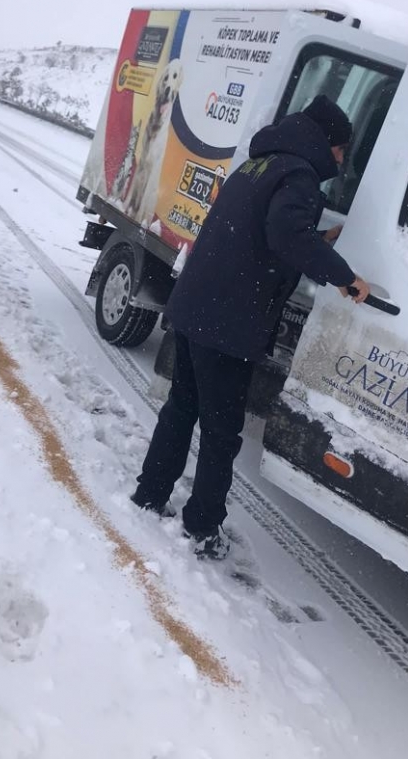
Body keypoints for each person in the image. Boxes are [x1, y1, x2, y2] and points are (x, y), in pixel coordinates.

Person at [131, 95, 370, 559]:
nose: (340, 162)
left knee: (182, 408)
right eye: (341, 151)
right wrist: (344, 276)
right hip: (228, 323)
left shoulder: (259, 166)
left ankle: (149, 494)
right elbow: (283, 234)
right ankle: (200, 528)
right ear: (326, 142)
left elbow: (265, 234)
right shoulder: (299, 175)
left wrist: (318, 241)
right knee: (221, 433)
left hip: (199, 307)